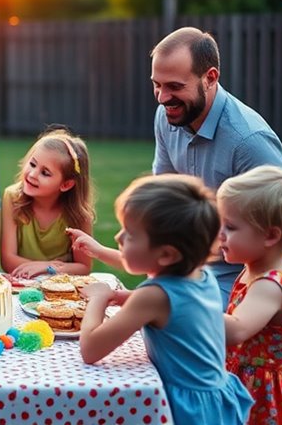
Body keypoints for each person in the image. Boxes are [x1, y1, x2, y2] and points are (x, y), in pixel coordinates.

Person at [150, 27, 282, 305]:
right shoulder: (166, 116)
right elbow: (167, 199)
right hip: (195, 262)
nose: (162, 97)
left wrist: (262, 286)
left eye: (175, 87)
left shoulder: (248, 141)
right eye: (157, 84)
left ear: (210, 78)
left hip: (238, 273)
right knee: (147, 308)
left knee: (166, 312)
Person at [77, 174, 254, 425]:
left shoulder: (152, 297)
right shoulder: (202, 276)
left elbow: (90, 349)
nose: (118, 238)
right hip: (214, 400)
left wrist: (98, 297)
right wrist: (127, 297)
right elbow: (182, 310)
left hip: (187, 410)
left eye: (130, 234)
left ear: (167, 255)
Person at [219, 166, 282, 425]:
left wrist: (188, 305)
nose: (219, 234)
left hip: (262, 395)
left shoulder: (269, 286)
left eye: (230, 226)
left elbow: (237, 329)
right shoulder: (255, 268)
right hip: (249, 379)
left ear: (271, 235)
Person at [0, 128, 94, 277]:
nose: (32, 174)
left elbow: (83, 267)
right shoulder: (12, 198)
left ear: (66, 185)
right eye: (32, 164)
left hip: (61, 286)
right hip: (23, 282)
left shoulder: (79, 214)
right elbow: (8, 261)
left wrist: (46, 267)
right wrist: (55, 267)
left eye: (45, 173)